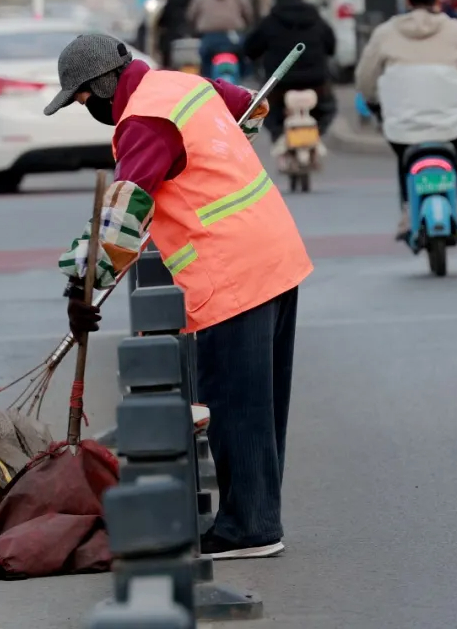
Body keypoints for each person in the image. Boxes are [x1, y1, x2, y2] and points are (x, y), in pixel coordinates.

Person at [43, 33, 313, 560]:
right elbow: (250, 108)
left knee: (235, 402)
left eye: (80, 99)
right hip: (275, 250)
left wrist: (82, 288)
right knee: (260, 404)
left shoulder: (141, 121)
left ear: (100, 85)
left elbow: (121, 220)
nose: (85, 109)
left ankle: (249, 529)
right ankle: (256, 517)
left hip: (231, 267)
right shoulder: (180, 86)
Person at [356, 0, 457, 238]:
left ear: (407, 0)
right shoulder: (455, 30)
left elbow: (365, 78)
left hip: (400, 127)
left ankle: (407, 210)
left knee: (405, 156)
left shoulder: (385, 33)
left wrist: (375, 104)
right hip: (450, 124)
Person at [243, 0, 337, 142]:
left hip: (280, 84)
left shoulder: (270, 21)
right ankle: (316, 134)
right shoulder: (316, 19)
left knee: (266, 109)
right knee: (328, 107)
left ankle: (279, 136)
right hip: (316, 82)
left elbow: (251, 48)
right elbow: (331, 46)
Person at [187, 0, 254, 78]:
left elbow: (191, 15)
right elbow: (248, 13)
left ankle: (208, 82)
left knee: (205, 64)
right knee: (245, 61)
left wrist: (194, 29)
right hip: (233, 38)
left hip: (209, 39)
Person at [156, 0, 193, 70]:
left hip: (171, 39)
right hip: (190, 39)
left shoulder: (171, 1)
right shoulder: (192, 0)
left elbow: (162, 21)